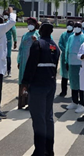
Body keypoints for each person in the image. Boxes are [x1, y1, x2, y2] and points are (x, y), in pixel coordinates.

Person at [22, 21, 60, 156]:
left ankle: (39, 151)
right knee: (48, 117)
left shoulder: (37, 44)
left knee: (38, 119)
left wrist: (25, 82)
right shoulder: (55, 46)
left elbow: (31, 65)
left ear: (41, 30)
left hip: (38, 85)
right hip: (50, 84)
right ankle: (49, 149)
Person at [18, 17, 40, 109]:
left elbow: (41, 46)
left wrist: (36, 41)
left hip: (33, 62)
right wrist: (19, 61)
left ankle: (31, 103)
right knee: (23, 81)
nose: (30, 25)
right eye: (28, 23)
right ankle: (22, 102)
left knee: (31, 82)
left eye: (31, 23)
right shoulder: (25, 35)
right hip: (24, 62)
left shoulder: (38, 34)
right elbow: (20, 49)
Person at [65, 22, 84, 113]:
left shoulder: (83, 38)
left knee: (81, 84)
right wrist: (66, 61)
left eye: (79, 26)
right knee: (73, 83)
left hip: (80, 64)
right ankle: (74, 101)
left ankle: (82, 104)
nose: (77, 28)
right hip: (71, 63)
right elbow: (67, 49)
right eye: (75, 26)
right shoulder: (71, 37)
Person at [58, 20, 74, 97]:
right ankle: (63, 91)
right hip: (64, 57)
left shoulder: (74, 35)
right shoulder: (63, 34)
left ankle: (74, 93)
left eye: (71, 25)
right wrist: (65, 50)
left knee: (73, 76)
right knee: (64, 76)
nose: (69, 26)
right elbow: (60, 43)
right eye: (68, 24)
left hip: (72, 57)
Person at [5, 11, 18, 77]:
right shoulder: (0, 22)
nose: (5, 16)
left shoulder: (10, 24)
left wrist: (15, 41)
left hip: (8, 42)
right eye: (4, 15)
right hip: (1, 42)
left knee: (8, 56)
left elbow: (14, 32)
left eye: (6, 15)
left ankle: (8, 70)